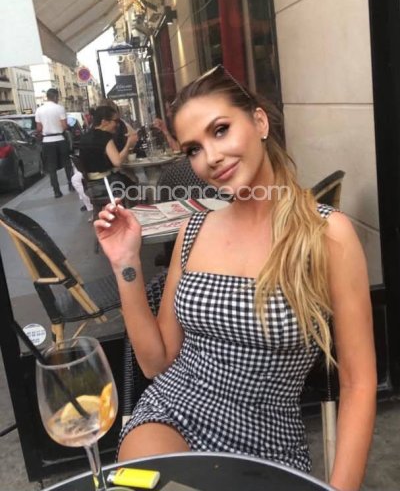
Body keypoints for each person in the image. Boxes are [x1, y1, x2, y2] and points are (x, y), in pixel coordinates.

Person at [94, 66, 376, 491]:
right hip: (173, 413)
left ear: (259, 122)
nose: (210, 157)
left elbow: (358, 382)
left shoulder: (326, 234)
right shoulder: (193, 231)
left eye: (221, 130)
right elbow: (157, 362)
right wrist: (125, 264)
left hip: (270, 439)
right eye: (193, 149)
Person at [78, 105, 138, 200]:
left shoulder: (85, 137)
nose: (117, 124)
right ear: (104, 122)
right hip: (106, 184)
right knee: (134, 184)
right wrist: (129, 143)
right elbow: (117, 162)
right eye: (115, 121)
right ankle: (131, 208)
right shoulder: (104, 137)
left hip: (91, 186)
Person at [35, 88, 73, 198]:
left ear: (47, 97)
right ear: (55, 97)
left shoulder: (39, 110)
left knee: (51, 168)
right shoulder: (60, 108)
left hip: (47, 141)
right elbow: (64, 126)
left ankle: (56, 191)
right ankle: (71, 185)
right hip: (60, 139)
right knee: (67, 164)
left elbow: (39, 128)